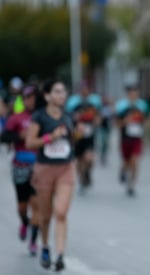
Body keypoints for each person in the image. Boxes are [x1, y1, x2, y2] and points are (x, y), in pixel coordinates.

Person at [25, 79, 75, 271]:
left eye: (63, 91)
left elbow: (71, 140)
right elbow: (30, 142)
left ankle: (60, 254)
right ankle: (45, 246)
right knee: (46, 216)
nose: (61, 95)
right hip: (44, 170)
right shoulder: (39, 117)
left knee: (61, 213)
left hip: (65, 169)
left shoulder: (68, 115)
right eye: (57, 91)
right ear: (47, 95)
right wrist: (50, 137)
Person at [0, 85, 41, 256]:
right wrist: (20, 137)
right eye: (27, 97)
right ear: (23, 100)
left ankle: (33, 240)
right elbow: (4, 137)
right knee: (22, 207)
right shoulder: (16, 118)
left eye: (33, 97)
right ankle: (24, 222)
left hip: (39, 166)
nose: (30, 100)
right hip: (20, 165)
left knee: (37, 205)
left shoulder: (42, 118)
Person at [66, 82, 101, 193]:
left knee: (89, 159)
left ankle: (87, 173)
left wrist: (97, 122)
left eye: (87, 89)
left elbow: (98, 116)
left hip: (90, 135)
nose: (85, 91)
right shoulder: (73, 103)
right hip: (78, 135)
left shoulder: (94, 102)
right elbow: (67, 117)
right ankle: (82, 180)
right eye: (83, 89)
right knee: (79, 160)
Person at [115, 85, 149, 196]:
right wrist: (125, 121)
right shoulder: (121, 106)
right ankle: (123, 170)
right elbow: (117, 124)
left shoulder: (142, 106)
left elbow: (146, 120)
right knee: (126, 161)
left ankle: (131, 185)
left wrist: (146, 124)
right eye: (131, 93)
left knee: (135, 161)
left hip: (137, 139)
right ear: (128, 94)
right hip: (125, 139)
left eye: (136, 93)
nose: (134, 95)